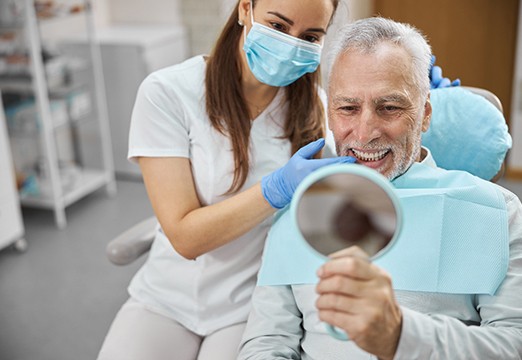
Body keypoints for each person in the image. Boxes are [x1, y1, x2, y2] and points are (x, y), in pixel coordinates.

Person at [238, 17, 522, 359]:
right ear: (330, 115)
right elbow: (266, 342)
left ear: (425, 113)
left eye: (389, 107)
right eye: (348, 108)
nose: (365, 132)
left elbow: (513, 344)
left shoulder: (497, 213)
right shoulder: (297, 211)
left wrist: (401, 336)